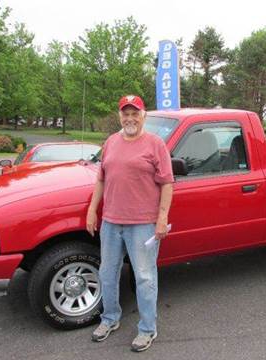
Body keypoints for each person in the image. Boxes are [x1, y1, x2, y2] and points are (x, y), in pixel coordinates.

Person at [86, 95, 174, 352]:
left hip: (143, 224)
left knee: (145, 277)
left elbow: (167, 183)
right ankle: (110, 319)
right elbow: (101, 179)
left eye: (135, 113)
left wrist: (162, 217)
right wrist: (93, 210)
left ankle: (148, 329)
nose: (130, 118)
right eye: (126, 113)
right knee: (107, 273)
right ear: (119, 116)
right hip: (111, 222)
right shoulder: (111, 142)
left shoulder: (155, 145)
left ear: (143, 115)